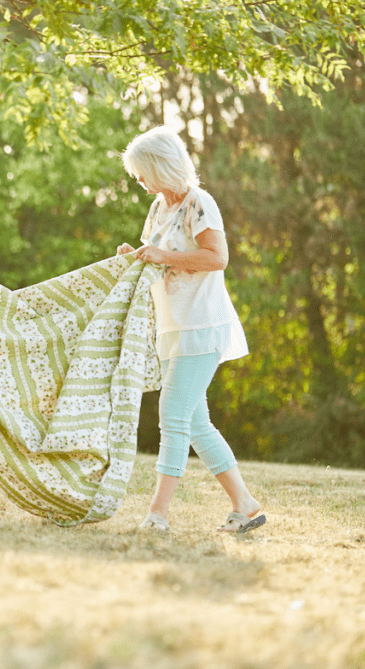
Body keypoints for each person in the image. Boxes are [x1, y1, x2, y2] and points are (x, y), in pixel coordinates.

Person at [117, 126, 265, 534]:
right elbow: (159, 258)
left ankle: (158, 515)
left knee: (173, 416)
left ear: (161, 165)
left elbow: (217, 258)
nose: (139, 181)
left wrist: (162, 254)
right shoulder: (159, 208)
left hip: (202, 324)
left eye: (142, 172)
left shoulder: (200, 203)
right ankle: (245, 503)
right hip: (173, 326)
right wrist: (135, 256)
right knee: (197, 424)